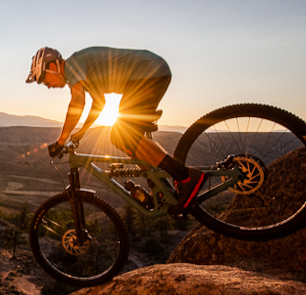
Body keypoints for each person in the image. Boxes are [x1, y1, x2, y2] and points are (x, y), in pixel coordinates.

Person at [26, 46, 205, 214]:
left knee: (121, 135)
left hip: (147, 73)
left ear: (52, 67)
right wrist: (82, 132)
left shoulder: (73, 65)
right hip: (150, 73)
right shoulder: (81, 71)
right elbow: (99, 103)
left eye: (42, 79)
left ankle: (186, 177)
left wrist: (60, 141)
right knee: (129, 143)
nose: (46, 85)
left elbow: (77, 103)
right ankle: (160, 190)